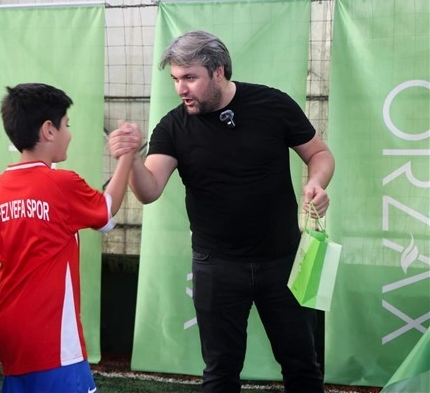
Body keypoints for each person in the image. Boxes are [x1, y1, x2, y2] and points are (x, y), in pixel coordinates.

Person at [108, 30, 335, 393]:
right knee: (220, 372)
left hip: (284, 260)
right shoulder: (172, 126)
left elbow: (319, 154)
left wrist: (317, 183)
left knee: (302, 365)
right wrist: (131, 158)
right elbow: (149, 191)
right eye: (175, 79)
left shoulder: (272, 104)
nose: (181, 89)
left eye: (190, 77)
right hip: (216, 266)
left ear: (219, 71)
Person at [0, 83, 137, 393]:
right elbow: (107, 212)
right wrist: (127, 156)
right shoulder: (61, 183)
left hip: (9, 332)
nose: (69, 134)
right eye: (66, 125)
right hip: (54, 339)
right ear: (48, 130)